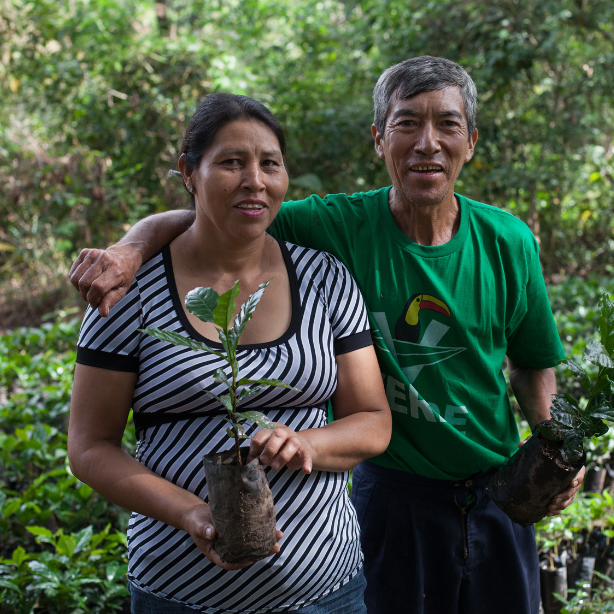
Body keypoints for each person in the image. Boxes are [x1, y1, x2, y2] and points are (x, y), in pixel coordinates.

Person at [70, 57, 585, 614]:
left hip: (498, 489)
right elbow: (221, 216)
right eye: (407, 123)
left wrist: (556, 446)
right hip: (392, 496)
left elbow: (532, 365)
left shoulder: (508, 241)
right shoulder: (333, 227)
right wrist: (131, 248)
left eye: (448, 125)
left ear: (472, 141)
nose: (427, 143)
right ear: (378, 139)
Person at [67, 92, 392, 614]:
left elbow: (373, 420)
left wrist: (305, 443)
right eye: (231, 163)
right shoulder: (129, 296)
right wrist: (189, 513)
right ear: (188, 172)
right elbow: (89, 447)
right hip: (180, 593)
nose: (255, 181)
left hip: (327, 592)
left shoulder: (325, 279)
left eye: (270, 163)